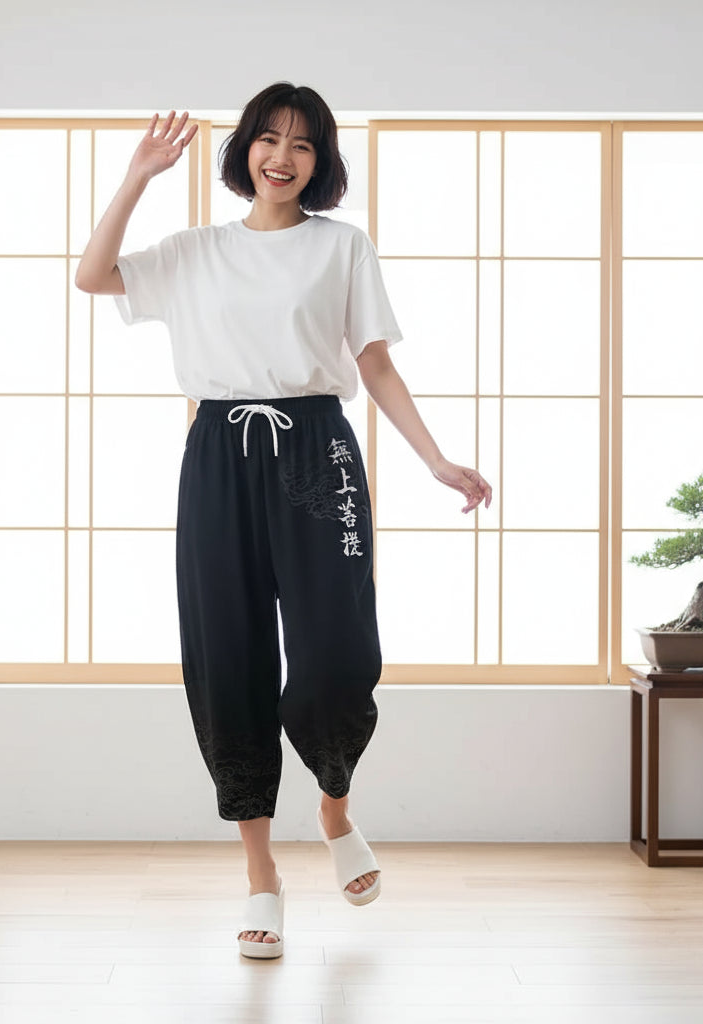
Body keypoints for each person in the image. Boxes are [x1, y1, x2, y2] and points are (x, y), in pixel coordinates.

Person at [75, 82, 492, 959]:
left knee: (338, 654)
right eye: (269, 139)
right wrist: (138, 176)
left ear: (321, 161)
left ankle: (334, 805)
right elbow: (92, 276)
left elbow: (374, 365)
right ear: (246, 151)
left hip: (316, 452)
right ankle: (261, 872)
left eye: (303, 144)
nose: (282, 157)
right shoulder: (195, 250)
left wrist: (434, 458)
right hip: (217, 454)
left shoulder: (342, 246)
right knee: (228, 659)